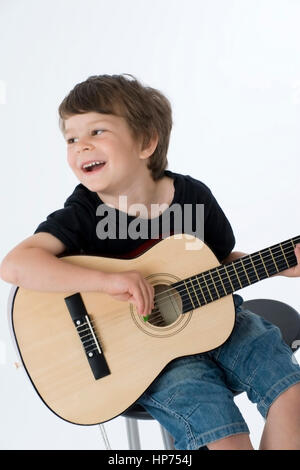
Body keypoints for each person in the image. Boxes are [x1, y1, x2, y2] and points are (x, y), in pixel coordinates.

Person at [1, 74, 300, 450]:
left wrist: (277, 264)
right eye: (71, 138)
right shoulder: (84, 212)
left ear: (146, 142)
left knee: (292, 395)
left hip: (223, 320)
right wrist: (108, 282)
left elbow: (220, 261)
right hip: (147, 358)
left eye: (96, 131)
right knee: (225, 437)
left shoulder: (193, 197)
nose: (80, 146)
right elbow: (15, 265)